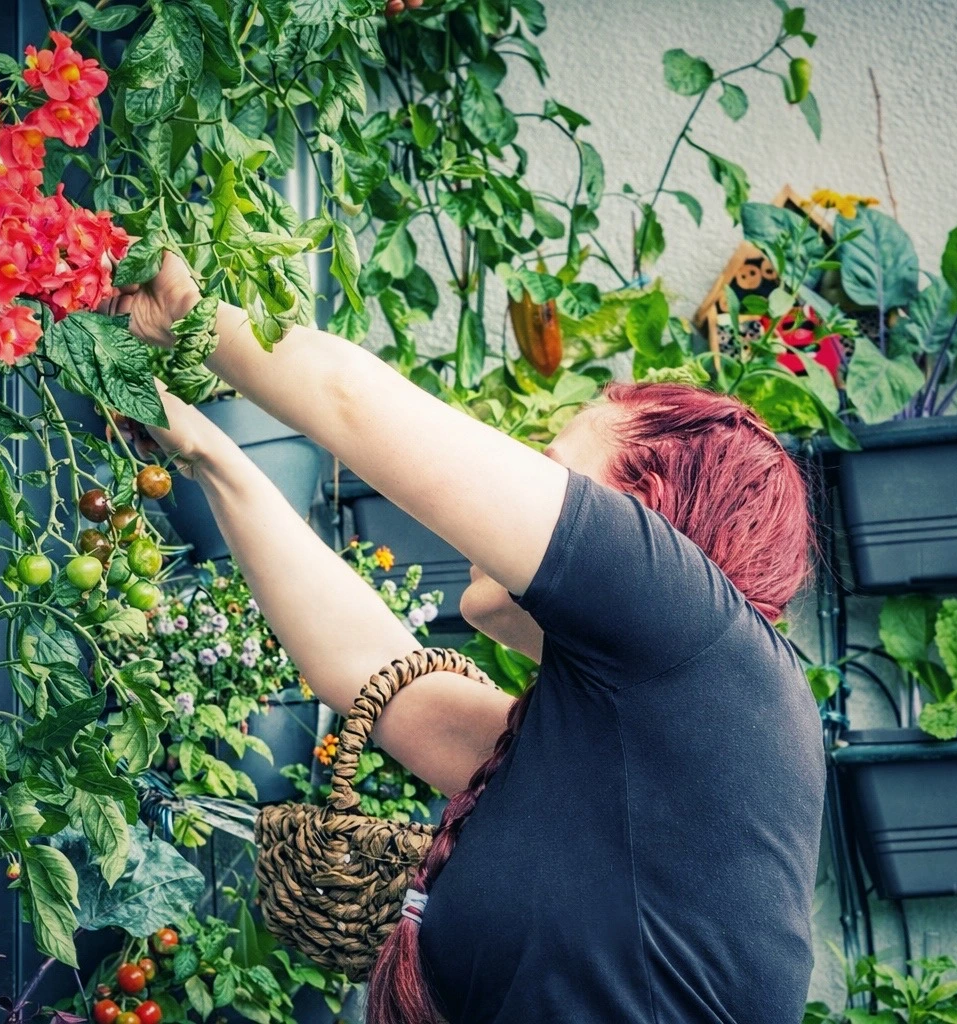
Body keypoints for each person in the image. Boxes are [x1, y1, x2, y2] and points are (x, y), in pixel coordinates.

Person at [103, 253, 826, 1024]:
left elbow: (350, 402)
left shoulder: (706, 643)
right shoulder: (625, 757)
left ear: (640, 519)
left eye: (545, 469)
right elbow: (371, 670)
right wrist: (205, 450)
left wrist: (189, 313)